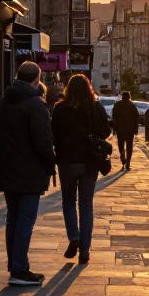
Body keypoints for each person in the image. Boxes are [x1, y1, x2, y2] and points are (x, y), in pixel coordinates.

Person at [0, 61, 56, 286]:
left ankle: (15, 265)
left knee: (13, 220)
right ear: (36, 79)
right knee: (25, 221)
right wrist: (50, 166)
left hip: (8, 171)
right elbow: (43, 143)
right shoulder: (36, 105)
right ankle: (19, 270)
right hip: (30, 173)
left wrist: (1, 159)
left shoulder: (2, 103)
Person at [51, 74, 111, 265]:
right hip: (89, 161)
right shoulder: (95, 107)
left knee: (68, 201)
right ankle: (84, 250)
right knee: (86, 204)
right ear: (89, 88)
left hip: (67, 162)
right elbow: (107, 131)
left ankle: (74, 237)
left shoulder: (60, 109)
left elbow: (53, 135)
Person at [112, 92, 140, 170]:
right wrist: (136, 130)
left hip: (120, 129)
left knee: (121, 145)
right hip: (130, 130)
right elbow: (136, 118)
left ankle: (122, 156)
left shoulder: (117, 105)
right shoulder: (132, 106)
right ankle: (128, 162)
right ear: (129, 97)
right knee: (129, 147)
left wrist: (114, 128)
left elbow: (114, 118)